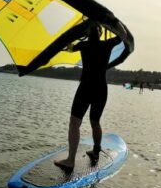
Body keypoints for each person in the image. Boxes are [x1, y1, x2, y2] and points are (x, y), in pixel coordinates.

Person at [54, 19, 127, 171]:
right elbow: (123, 35)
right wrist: (111, 21)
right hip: (100, 88)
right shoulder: (106, 44)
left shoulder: (84, 45)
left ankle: (70, 160)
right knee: (95, 121)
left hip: (86, 87)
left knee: (75, 122)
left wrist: (71, 37)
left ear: (87, 32)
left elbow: (68, 48)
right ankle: (95, 151)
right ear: (101, 32)